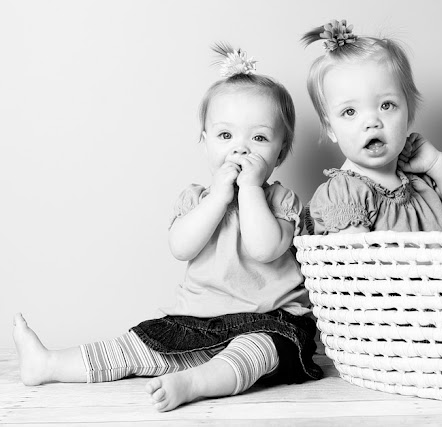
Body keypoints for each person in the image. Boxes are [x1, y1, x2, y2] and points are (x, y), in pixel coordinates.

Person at [13, 43, 322, 412]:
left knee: (255, 350)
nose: (240, 149)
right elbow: (181, 247)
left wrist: (251, 190)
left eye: (258, 138)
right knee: (139, 345)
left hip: (271, 321)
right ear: (205, 143)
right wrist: (217, 198)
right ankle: (48, 364)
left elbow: (264, 248)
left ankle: (196, 383)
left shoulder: (279, 201)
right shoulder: (197, 200)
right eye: (225, 136)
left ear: (281, 151)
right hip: (197, 322)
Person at [302, 20, 442, 234]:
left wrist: (435, 162)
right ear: (331, 129)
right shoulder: (345, 193)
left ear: (408, 114)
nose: (372, 122)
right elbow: (355, 253)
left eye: (386, 105)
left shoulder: (417, 181)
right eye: (350, 112)